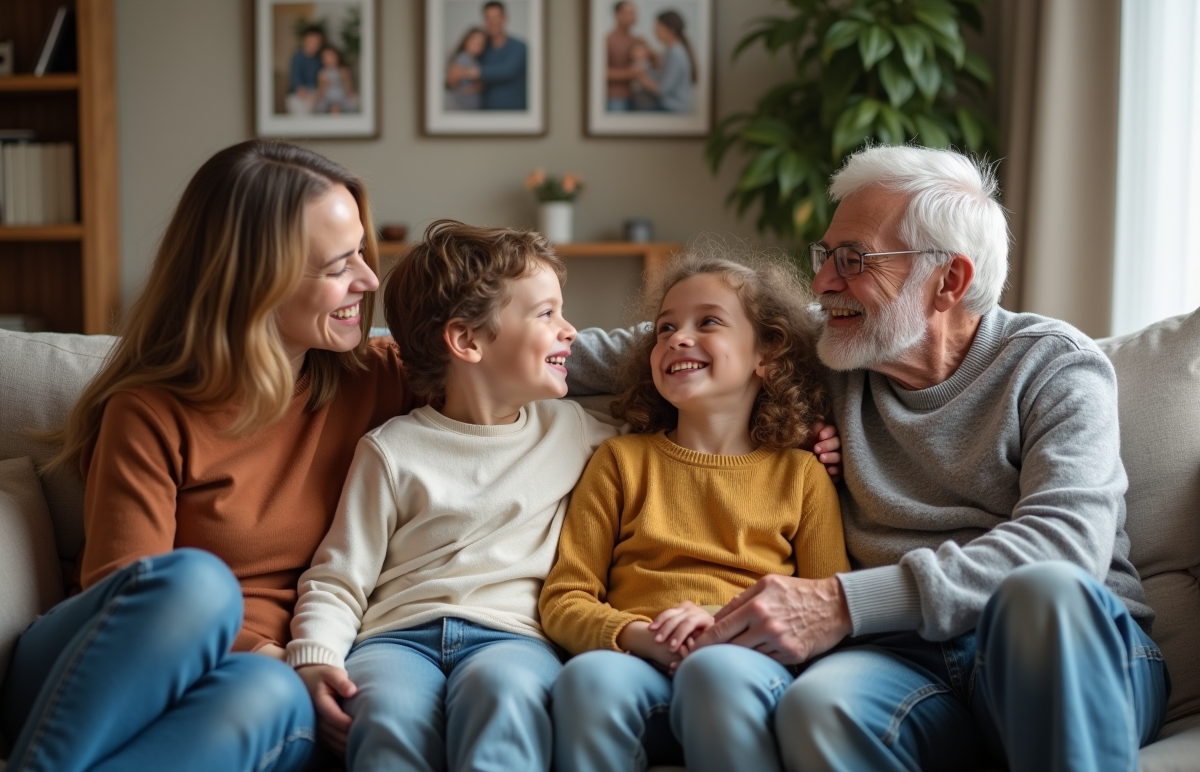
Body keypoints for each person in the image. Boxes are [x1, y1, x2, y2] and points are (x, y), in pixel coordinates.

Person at [0, 142, 616, 771]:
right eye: (339, 263)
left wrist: (695, 338)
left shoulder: (378, 376)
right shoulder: (151, 410)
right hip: (96, 669)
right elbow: (123, 592)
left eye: (363, 254)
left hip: (256, 686)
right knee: (196, 588)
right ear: (254, 279)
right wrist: (281, 654)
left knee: (267, 696)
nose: (370, 279)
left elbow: (521, 348)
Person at [680, 145, 1170, 772]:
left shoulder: (1052, 365)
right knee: (820, 704)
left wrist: (842, 603)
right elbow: (677, 339)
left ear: (949, 282)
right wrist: (526, 336)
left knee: (1042, 593)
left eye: (854, 259)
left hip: (1068, 649)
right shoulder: (835, 347)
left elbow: (1066, 546)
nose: (823, 282)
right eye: (825, 255)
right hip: (907, 660)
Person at [286, 221, 622, 771]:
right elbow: (340, 577)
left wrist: (791, 431)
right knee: (384, 712)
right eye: (546, 314)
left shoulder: (573, 428)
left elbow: (677, 443)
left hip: (513, 639)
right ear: (468, 341)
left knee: (508, 699)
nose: (571, 331)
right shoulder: (391, 450)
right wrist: (316, 658)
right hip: (395, 639)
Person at [540, 253, 851, 772]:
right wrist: (642, 636)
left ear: (766, 354)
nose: (677, 338)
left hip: (746, 668)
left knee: (716, 672)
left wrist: (716, 625)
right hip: (636, 662)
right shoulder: (619, 462)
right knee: (585, 679)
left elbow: (826, 609)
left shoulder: (801, 476)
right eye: (664, 328)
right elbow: (565, 598)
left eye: (707, 321)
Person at [633, 11, 695, 113]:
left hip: (673, 108)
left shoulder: (675, 53)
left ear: (670, 30)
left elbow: (662, 90)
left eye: (657, 27)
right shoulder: (672, 51)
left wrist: (640, 76)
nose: (654, 31)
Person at [477, 0, 527, 110]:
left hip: (516, 116)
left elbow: (508, 70)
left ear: (505, 18)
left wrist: (471, 71)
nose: (492, 22)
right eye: (488, 18)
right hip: (486, 115)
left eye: (496, 17)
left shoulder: (519, 47)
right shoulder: (481, 49)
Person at [605, 0, 641, 112]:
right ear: (618, 15)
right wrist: (630, 73)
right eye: (630, 12)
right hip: (615, 98)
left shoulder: (636, 40)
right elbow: (601, 72)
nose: (634, 17)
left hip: (634, 97)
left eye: (634, 13)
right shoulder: (608, 40)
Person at [444, 27, 487, 110]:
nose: (478, 43)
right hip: (460, 109)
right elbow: (451, 83)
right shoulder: (462, 58)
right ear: (466, 41)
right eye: (475, 39)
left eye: (481, 42)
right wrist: (473, 89)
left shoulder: (475, 60)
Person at [287, 25, 325, 114]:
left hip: (316, 95)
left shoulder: (320, 59)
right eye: (312, 41)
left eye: (317, 42)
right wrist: (309, 97)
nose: (314, 44)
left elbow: (323, 81)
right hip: (298, 96)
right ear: (305, 40)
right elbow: (297, 85)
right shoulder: (297, 58)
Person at [314, 45, 360, 115]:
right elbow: (320, 94)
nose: (329, 59)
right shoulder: (322, 73)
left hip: (342, 98)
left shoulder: (343, 70)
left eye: (331, 56)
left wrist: (346, 80)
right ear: (323, 60)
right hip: (328, 100)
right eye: (326, 57)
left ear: (337, 57)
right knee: (320, 106)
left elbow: (349, 91)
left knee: (354, 102)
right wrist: (324, 84)